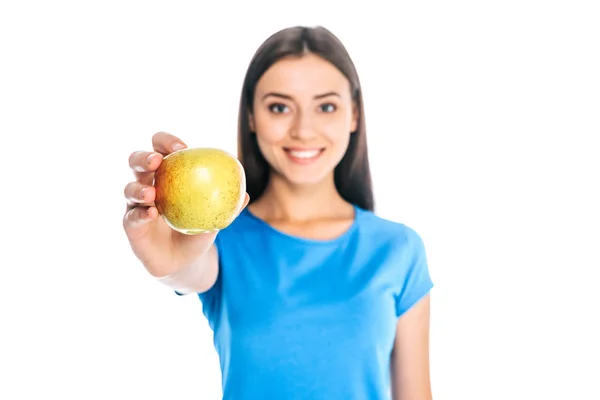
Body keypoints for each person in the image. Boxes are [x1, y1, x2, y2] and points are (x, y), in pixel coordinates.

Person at [123, 25, 434, 400]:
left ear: (354, 115)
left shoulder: (398, 249)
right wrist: (171, 258)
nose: (303, 130)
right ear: (251, 117)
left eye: (326, 106)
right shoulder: (222, 241)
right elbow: (188, 269)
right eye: (279, 107)